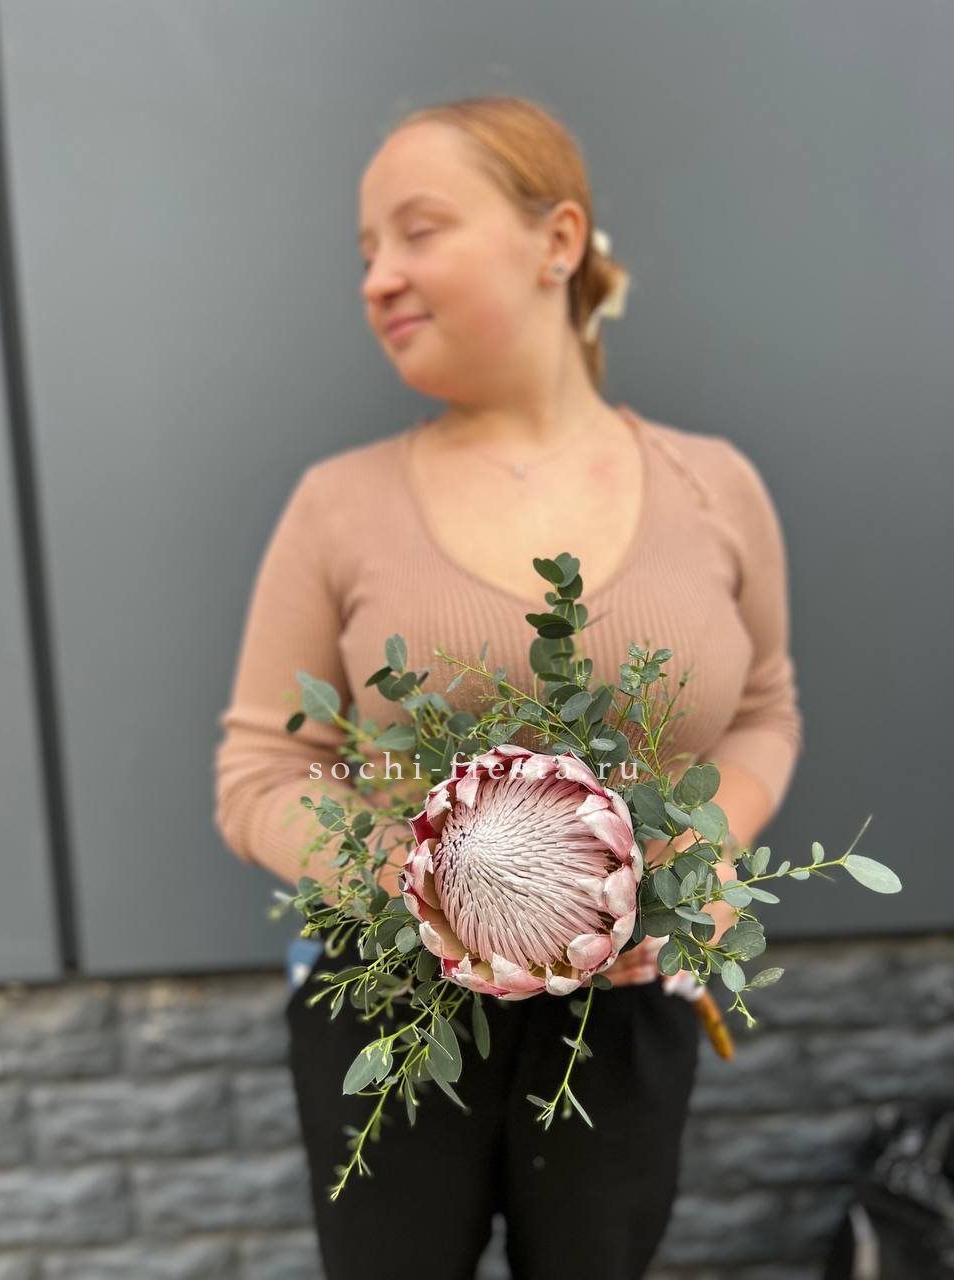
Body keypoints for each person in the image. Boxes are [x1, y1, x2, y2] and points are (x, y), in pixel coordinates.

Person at [213, 93, 804, 1280]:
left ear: (558, 239)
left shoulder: (715, 487)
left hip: (623, 1010)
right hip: (391, 1005)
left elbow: (762, 712)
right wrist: (420, 885)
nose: (378, 276)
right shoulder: (338, 504)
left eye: (418, 230)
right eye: (366, 250)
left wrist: (696, 853)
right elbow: (261, 770)